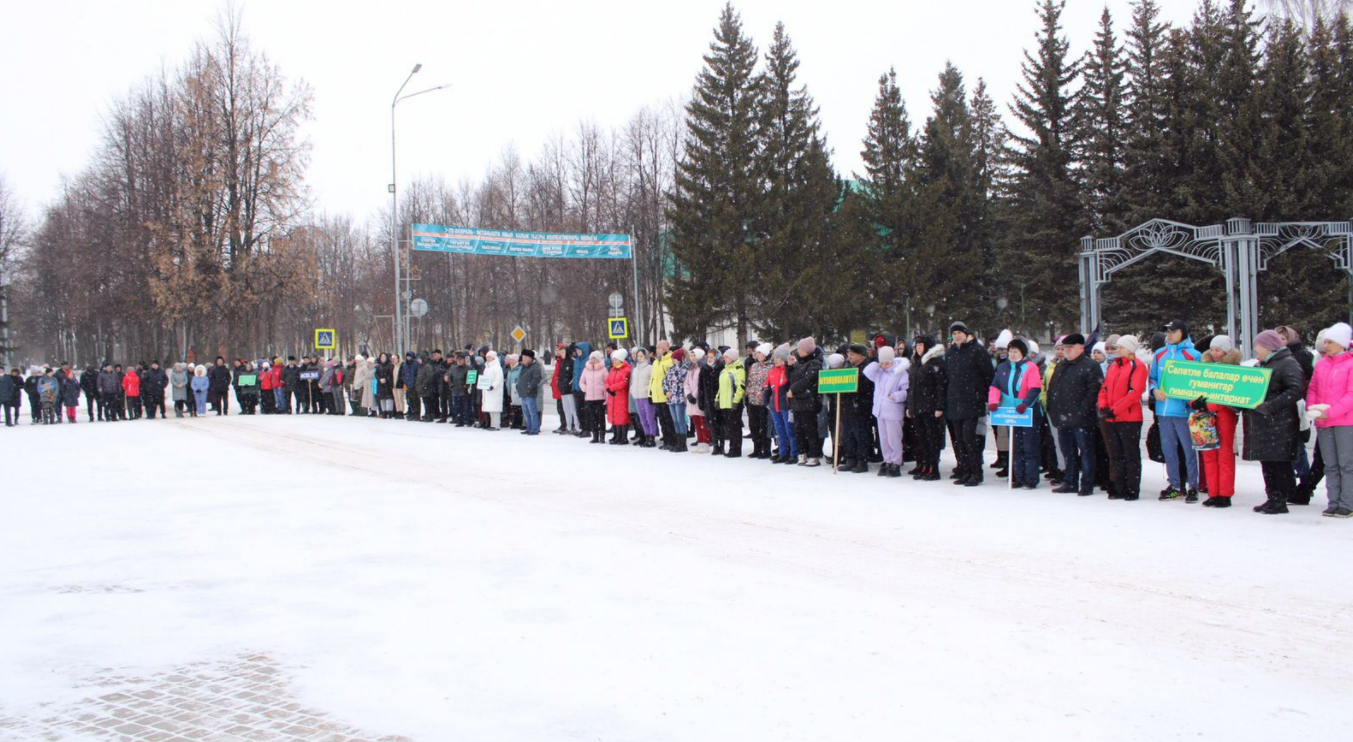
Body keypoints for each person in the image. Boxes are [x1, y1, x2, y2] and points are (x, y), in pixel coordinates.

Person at [1245, 330, 1307, 515]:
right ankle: (1272, 497)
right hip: (1264, 423)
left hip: (1280, 423)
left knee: (1279, 462)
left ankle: (1281, 499)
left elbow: (1296, 389)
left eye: (1258, 345)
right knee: (1268, 462)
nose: (1255, 348)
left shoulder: (1287, 363)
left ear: (1268, 346)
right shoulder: (1262, 365)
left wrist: (1270, 406)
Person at [1188, 336, 1242, 508]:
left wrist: (1209, 404)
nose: (1214, 353)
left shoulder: (1232, 369)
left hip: (1224, 415)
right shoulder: (1205, 368)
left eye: (1218, 350)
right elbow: (1194, 387)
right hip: (1205, 416)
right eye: (1212, 350)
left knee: (1224, 454)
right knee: (1208, 454)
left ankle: (1224, 493)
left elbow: (1230, 395)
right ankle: (1213, 492)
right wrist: (1194, 403)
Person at [1150, 320, 1201, 501]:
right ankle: (1175, 485)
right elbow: (1152, 378)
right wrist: (1154, 390)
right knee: (1168, 449)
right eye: (1167, 332)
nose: (1169, 335)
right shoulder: (1159, 354)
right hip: (1163, 411)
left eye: (1173, 331)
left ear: (1183, 332)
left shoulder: (1193, 355)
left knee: (1189, 449)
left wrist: (1191, 400)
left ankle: (1193, 485)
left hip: (1184, 411)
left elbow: (1199, 382)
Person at [1046, 333, 1103, 496]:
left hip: (1082, 419)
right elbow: (1053, 389)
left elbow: (1093, 392)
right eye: (1065, 348)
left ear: (1081, 348)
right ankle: (1070, 481)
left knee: (1086, 452)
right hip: (1062, 418)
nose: (1067, 351)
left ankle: (1087, 484)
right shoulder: (1062, 366)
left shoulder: (1090, 366)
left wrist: (1082, 412)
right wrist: (1052, 409)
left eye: (1070, 348)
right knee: (1068, 453)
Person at [1306, 322, 1353, 517]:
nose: (1326, 345)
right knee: (1330, 464)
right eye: (1325, 342)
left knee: (1346, 464)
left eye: (1330, 342)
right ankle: (1333, 502)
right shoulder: (1323, 364)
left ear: (1341, 343)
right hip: (1323, 421)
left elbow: (1350, 395)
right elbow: (1313, 388)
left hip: (1344, 421)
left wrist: (1331, 412)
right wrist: (1313, 407)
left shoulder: (1350, 364)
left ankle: (1347, 503)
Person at [988, 339, 1043, 489]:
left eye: (1015, 351)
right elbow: (995, 386)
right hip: (1010, 413)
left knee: (1029, 447)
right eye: (1010, 351)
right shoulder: (1002, 367)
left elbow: (1035, 388)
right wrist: (993, 401)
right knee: (1015, 446)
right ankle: (1017, 477)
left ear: (1022, 353)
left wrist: (1025, 404)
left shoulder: (1030, 367)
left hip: (1027, 413)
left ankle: (1030, 479)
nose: (1012, 354)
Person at [945, 322, 994, 486]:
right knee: (959, 440)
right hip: (955, 402)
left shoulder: (977, 351)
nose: (957, 335)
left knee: (970, 439)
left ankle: (976, 472)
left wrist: (981, 395)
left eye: (960, 332)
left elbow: (988, 375)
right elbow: (948, 377)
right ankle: (965, 470)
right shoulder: (951, 352)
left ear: (966, 334)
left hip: (972, 402)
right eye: (954, 333)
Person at [862, 346, 910, 477]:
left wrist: (897, 396)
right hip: (880, 410)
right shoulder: (879, 372)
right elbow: (867, 372)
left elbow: (907, 390)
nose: (884, 365)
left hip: (893, 410)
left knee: (894, 438)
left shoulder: (900, 372)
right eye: (882, 363)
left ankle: (896, 461)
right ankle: (887, 459)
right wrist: (877, 363)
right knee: (883, 438)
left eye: (887, 363)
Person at [907, 336, 947, 481]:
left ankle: (933, 468)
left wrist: (939, 406)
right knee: (921, 439)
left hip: (930, 407)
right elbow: (911, 387)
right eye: (916, 345)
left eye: (921, 345)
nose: (918, 348)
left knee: (932, 439)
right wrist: (910, 406)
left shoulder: (935, 362)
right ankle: (924, 465)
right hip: (917, 407)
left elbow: (940, 386)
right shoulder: (915, 363)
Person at [789, 337, 824, 466]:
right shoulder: (799, 363)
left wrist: (793, 389)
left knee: (810, 429)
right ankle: (802, 453)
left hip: (809, 400)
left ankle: (814, 455)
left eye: (800, 348)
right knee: (799, 429)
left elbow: (808, 380)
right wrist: (790, 366)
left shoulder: (815, 363)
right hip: (798, 401)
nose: (798, 351)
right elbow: (792, 378)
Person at [765, 346, 796, 463]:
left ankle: (793, 453)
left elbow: (791, 384)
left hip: (786, 406)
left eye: (778, 358)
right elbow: (767, 388)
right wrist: (766, 400)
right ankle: (783, 453)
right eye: (775, 357)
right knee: (779, 432)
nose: (775, 360)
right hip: (775, 406)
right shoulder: (772, 371)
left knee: (790, 431)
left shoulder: (788, 371)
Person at [716, 347, 746, 457]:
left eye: (727, 357)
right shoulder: (724, 370)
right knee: (729, 427)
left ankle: (736, 449)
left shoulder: (738, 369)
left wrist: (736, 401)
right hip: (725, 403)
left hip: (733, 403)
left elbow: (740, 386)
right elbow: (721, 387)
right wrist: (717, 398)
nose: (725, 359)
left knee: (735, 427)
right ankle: (732, 448)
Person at [745, 344, 774, 460]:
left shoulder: (771, 367)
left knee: (764, 426)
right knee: (753, 425)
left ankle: (766, 449)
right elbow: (750, 381)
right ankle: (756, 448)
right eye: (756, 353)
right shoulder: (754, 366)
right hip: (753, 400)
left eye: (759, 353)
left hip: (764, 401)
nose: (757, 355)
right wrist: (749, 392)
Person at [649, 340, 677, 450]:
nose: (657, 349)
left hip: (665, 396)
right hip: (656, 396)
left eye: (659, 347)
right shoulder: (656, 362)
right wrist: (650, 394)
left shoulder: (669, 361)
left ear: (665, 348)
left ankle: (672, 440)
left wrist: (669, 392)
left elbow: (671, 379)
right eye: (657, 347)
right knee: (662, 420)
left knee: (668, 420)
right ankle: (666, 440)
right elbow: (653, 379)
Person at [664, 348, 691, 453]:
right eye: (673, 358)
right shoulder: (671, 369)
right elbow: (665, 381)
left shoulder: (685, 369)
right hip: (671, 399)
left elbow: (683, 382)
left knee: (680, 420)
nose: (673, 360)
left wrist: (675, 390)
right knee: (675, 421)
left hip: (680, 398)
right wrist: (666, 391)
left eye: (675, 358)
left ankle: (683, 443)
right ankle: (678, 441)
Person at [629, 348, 657, 447]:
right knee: (642, 418)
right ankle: (647, 436)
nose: (639, 358)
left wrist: (647, 389)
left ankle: (652, 437)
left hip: (646, 396)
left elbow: (652, 380)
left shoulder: (649, 368)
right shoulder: (635, 369)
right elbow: (633, 381)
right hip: (637, 396)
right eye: (638, 356)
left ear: (645, 356)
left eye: (641, 356)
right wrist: (632, 389)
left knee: (650, 418)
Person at [577, 349, 606, 442]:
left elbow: (607, 382)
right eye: (592, 359)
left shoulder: (603, 369)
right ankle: (595, 436)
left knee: (601, 417)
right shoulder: (586, 369)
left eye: (595, 359)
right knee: (592, 417)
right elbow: (581, 382)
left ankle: (602, 436)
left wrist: (604, 392)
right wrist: (585, 389)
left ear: (598, 360)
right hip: (589, 397)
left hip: (600, 397)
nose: (593, 361)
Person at [605, 349, 633, 444]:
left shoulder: (626, 369)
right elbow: (607, 380)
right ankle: (617, 435)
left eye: (616, 360)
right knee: (614, 416)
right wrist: (608, 388)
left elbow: (623, 383)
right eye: (613, 360)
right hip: (613, 396)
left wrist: (612, 388)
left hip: (621, 396)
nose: (614, 362)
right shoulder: (613, 369)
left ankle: (623, 437)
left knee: (622, 416)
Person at [516, 349, 543, 435]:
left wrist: (529, 387)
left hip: (530, 393)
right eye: (523, 357)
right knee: (526, 413)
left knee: (532, 412)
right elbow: (521, 379)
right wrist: (518, 386)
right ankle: (529, 427)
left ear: (530, 358)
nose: (523, 359)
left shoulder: (535, 367)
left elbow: (536, 379)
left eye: (525, 357)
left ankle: (534, 429)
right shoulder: (524, 367)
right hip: (523, 393)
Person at [479, 350, 506, 431]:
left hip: (495, 391)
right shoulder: (487, 367)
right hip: (488, 391)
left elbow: (498, 379)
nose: (488, 358)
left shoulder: (497, 367)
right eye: (487, 357)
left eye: (489, 357)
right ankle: (491, 424)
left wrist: (493, 386)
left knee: (495, 409)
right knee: (490, 409)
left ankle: (496, 425)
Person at [375, 352, 395, 418]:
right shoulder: (378, 366)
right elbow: (376, 374)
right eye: (381, 357)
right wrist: (380, 379)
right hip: (380, 384)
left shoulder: (390, 365)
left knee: (389, 398)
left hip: (388, 384)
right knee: (382, 398)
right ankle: (384, 412)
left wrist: (386, 379)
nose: (383, 358)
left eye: (384, 357)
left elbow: (391, 374)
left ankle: (390, 412)